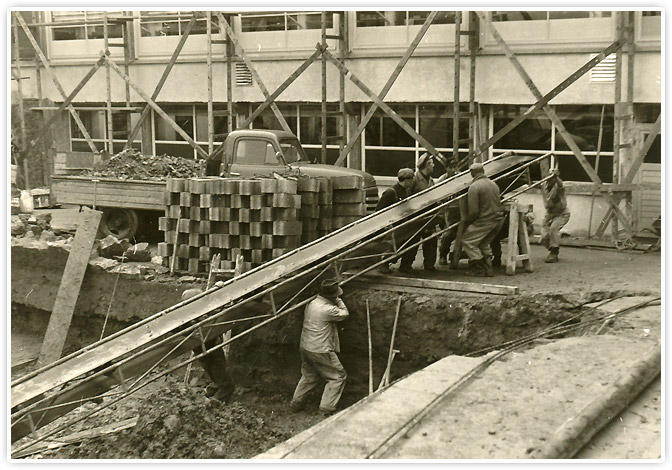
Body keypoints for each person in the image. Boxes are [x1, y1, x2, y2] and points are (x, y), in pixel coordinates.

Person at [290, 279, 349, 416]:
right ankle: (326, 409)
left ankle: (296, 404)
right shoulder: (327, 309)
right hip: (320, 349)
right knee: (337, 376)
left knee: (309, 375)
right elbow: (345, 314)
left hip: (306, 346)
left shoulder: (311, 304)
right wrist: (338, 299)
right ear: (332, 295)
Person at [182, 287, 236, 403]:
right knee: (227, 385)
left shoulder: (189, 319)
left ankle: (206, 398)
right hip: (211, 353)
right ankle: (211, 406)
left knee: (218, 382)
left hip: (206, 353)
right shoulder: (195, 321)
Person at [461, 162, 505, 277]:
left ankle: (478, 268)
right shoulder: (493, 184)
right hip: (498, 220)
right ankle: (488, 267)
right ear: (483, 171)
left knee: (467, 240)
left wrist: (467, 222)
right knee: (484, 243)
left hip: (486, 221)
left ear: (472, 173)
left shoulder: (474, 187)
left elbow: (474, 211)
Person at [401, 153, 438, 273]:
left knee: (432, 241)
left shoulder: (431, 180)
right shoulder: (414, 179)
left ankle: (429, 265)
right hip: (416, 217)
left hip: (429, 216)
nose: (434, 166)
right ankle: (405, 265)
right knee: (412, 242)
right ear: (426, 165)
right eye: (432, 163)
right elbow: (406, 196)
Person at [375, 168, 415, 274]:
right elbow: (378, 212)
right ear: (406, 180)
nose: (412, 182)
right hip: (392, 226)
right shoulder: (390, 192)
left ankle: (405, 266)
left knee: (409, 241)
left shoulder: (407, 191)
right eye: (411, 179)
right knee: (394, 246)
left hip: (402, 223)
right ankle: (384, 264)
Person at [540, 168, 570, 263]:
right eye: (548, 178)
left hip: (562, 213)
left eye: (552, 178)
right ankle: (552, 247)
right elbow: (534, 184)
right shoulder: (543, 185)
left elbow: (561, 185)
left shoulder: (559, 186)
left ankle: (554, 252)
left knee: (553, 229)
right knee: (544, 237)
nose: (550, 180)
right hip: (549, 214)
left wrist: (556, 178)